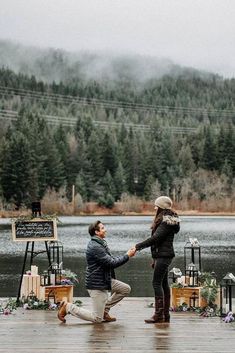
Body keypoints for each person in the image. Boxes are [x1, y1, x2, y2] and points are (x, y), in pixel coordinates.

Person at [58, 220, 136, 324]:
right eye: (103, 228)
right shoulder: (96, 247)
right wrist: (127, 256)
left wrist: (126, 255)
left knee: (125, 289)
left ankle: (105, 310)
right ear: (96, 232)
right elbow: (111, 263)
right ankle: (68, 307)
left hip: (104, 280)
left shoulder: (100, 243)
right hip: (97, 284)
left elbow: (110, 260)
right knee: (97, 319)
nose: (105, 229)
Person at [135, 196, 180, 323]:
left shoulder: (166, 221)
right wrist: (155, 258)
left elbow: (155, 239)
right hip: (162, 256)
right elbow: (158, 242)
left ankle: (159, 315)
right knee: (164, 284)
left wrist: (138, 246)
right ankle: (165, 315)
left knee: (156, 283)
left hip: (164, 256)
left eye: (157, 206)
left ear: (161, 208)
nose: (155, 208)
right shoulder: (166, 220)